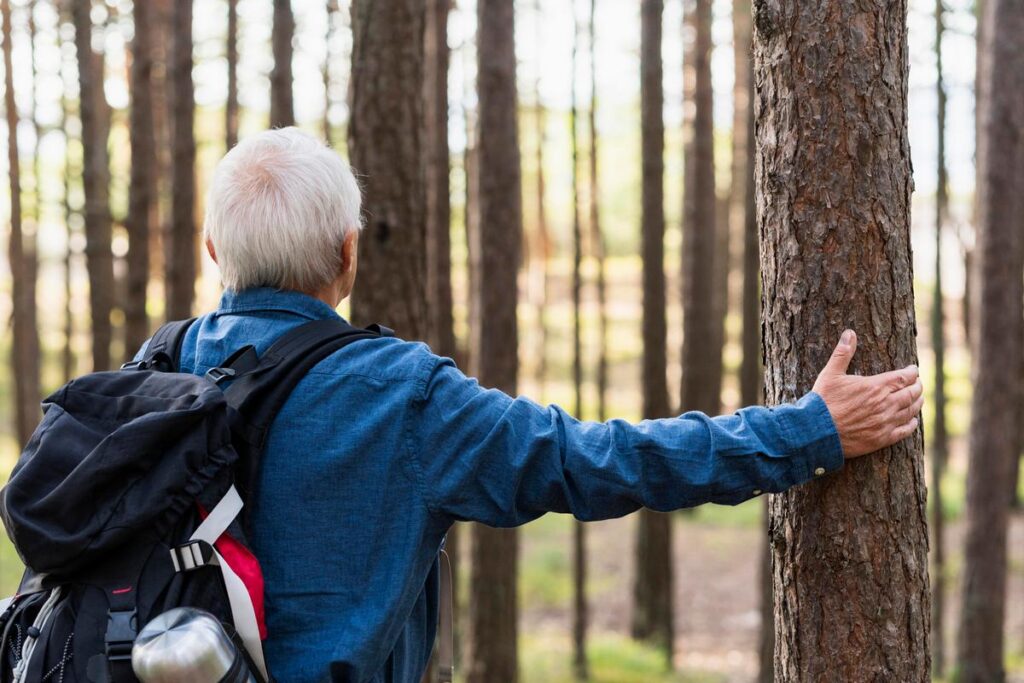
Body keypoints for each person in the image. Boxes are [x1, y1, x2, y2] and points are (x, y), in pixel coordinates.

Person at [162, 127, 923, 682]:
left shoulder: (150, 374)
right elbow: (601, 460)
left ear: (213, 252)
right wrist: (806, 430)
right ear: (348, 253)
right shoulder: (402, 397)